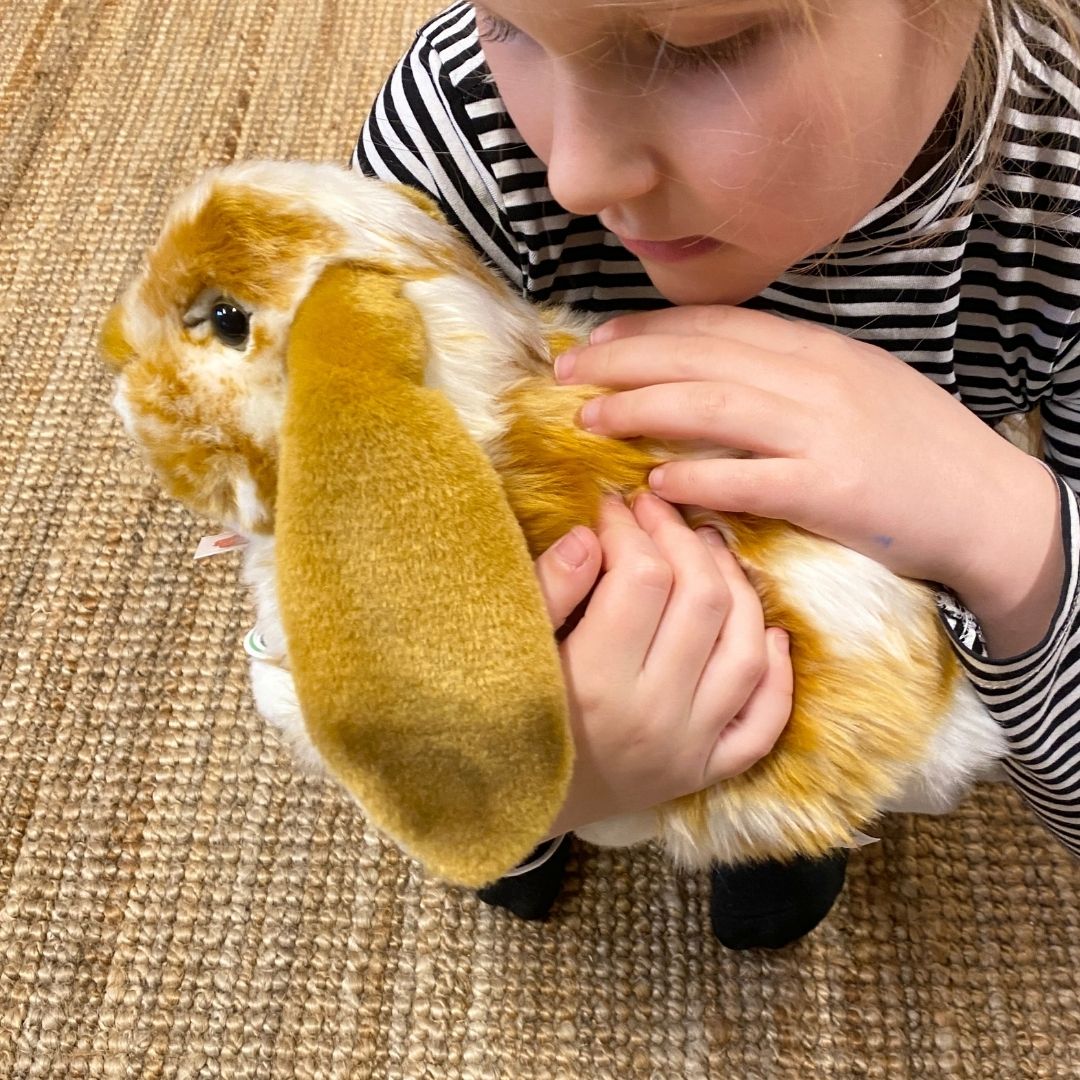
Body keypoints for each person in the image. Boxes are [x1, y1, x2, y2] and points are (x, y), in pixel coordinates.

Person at [353, 0, 1080, 946]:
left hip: (836, 675)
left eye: (703, 47)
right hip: (513, 620)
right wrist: (514, 772)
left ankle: (776, 856)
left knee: (778, 857)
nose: (577, 173)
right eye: (511, 28)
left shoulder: (1054, 204)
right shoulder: (458, 136)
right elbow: (339, 530)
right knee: (495, 845)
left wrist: (1002, 522)